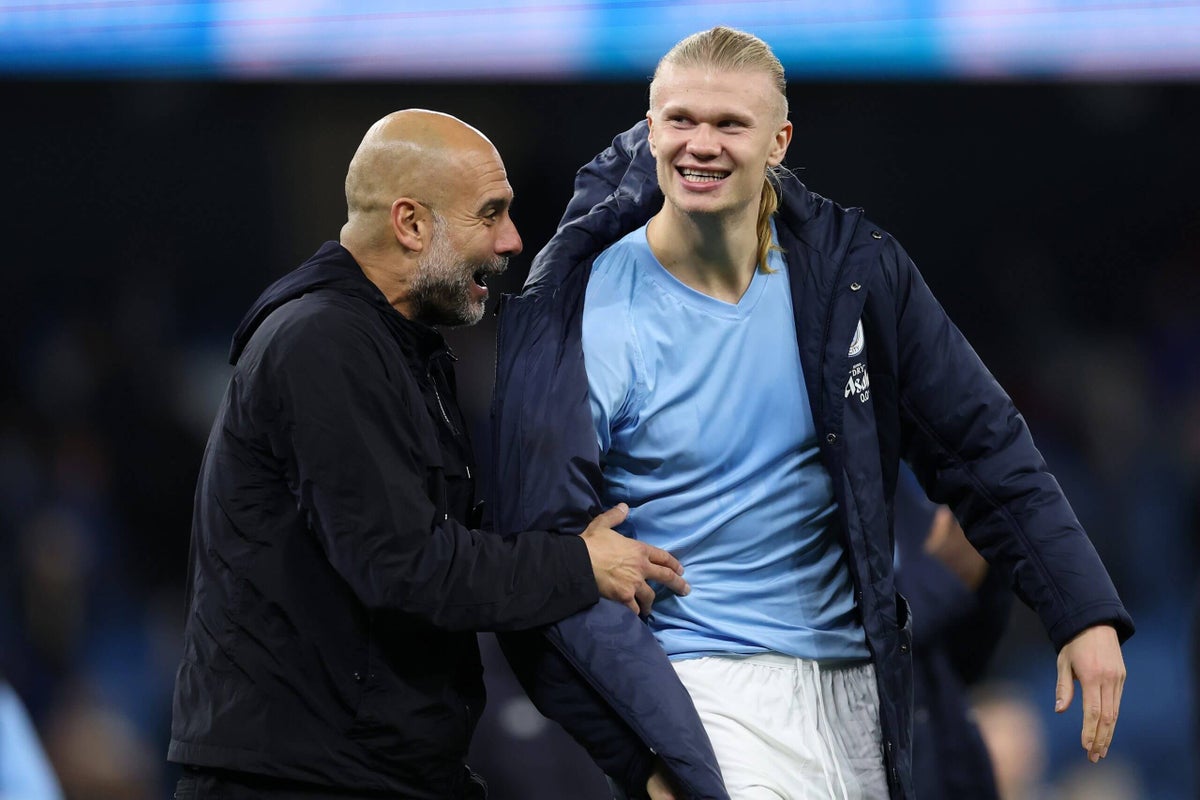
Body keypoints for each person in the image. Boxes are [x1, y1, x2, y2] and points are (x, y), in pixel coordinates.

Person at [489, 26, 1133, 799]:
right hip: (703, 690)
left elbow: (984, 445)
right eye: (682, 120)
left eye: (730, 125)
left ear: (778, 141)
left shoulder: (855, 272)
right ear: (649, 129)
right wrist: (643, 760)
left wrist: (1082, 613)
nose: (702, 145)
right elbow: (533, 562)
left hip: (863, 695)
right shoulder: (584, 309)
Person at [167, 109, 691, 800]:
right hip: (300, 780)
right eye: (491, 214)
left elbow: (450, 557)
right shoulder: (322, 345)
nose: (511, 239)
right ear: (411, 224)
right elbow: (404, 566)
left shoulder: (405, 350)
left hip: (382, 769)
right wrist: (576, 564)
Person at [892, 468, 1011, 800]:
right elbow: (858, 626)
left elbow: (967, 657)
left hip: (939, 751)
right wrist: (946, 577)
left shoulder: (891, 467)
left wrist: (986, 570)